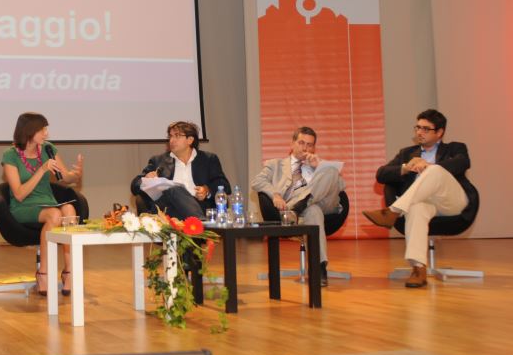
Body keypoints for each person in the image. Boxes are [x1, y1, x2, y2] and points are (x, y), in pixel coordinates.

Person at [363, 109, 475, 288]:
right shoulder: (406, 153)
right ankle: (418, 269)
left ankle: (392, 212)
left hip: (451, 202)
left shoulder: (455, 148)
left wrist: (428, 165)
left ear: (439, 132)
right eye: (418, 127)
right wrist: (406, 167)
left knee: (435, 170)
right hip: (423, 203)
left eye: (426, 129)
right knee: (416, 208)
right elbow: (381, 174)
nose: (419, 132)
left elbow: (462, 162)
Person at [1, 112, 84, 296]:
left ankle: (69, 271)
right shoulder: (10, 156)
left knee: (69, 210)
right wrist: (41, 170)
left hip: (48, 203)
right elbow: (19, 194)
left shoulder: (48, 149)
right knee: (55, 214)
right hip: (23, 206)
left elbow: (65, 177)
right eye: (42, 130)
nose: (46, 134)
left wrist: (75, 175)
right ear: (29, 131)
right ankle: (43, 273)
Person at [251, 126, 345, 286]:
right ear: (292, 144)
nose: (305, 148)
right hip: (298, 208)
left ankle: (300, 205)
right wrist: (275, 194)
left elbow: (340, 187)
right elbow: (257, 181)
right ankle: (318, 268)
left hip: (325, 204)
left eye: (310, 145)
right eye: (301, 143)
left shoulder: (318, 165)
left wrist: (318, 167)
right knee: (313, 210)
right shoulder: (275, 164)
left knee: (331, 170)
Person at [130, 121, 230, 221]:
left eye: (177, 136)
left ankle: (196, 222)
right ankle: (199, 223)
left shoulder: (208, 159)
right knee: (174, 188)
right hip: (167, 210)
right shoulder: (158, 161)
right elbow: (135, 185)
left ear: (190, 140)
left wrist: (207, 190)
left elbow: (224, 185)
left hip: (199, 206)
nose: (172, 140)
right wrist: (146, 178)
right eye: (170, 136)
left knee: (176, 190)